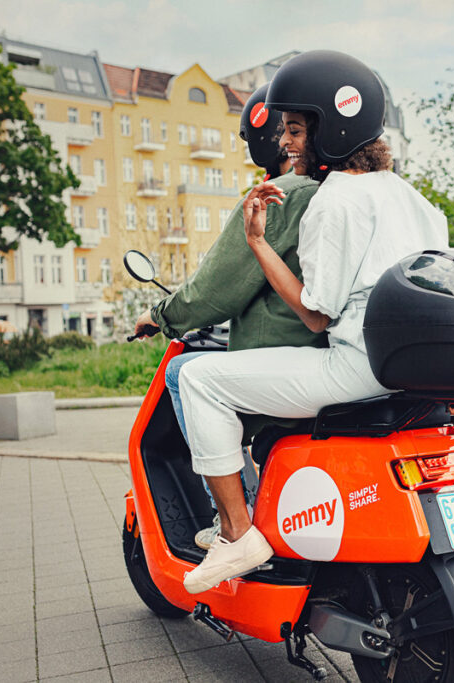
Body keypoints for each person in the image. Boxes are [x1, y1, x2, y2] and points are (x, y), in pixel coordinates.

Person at [179, 50, 448, 593]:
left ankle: (237, 532)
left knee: (197, 379)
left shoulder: (335, 200)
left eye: (297, 130)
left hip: (355, 367)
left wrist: (257, 242)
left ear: (332, 130)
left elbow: (315, 312)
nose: (286, 143)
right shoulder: (416, 200)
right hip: (412, 368)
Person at [133, 83, 326, 548]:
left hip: (286, 357)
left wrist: (160, 316)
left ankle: (233, 522)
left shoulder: (279, 195)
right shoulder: (331, 192)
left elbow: (215, 290)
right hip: (329, 354)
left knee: (187, 376)